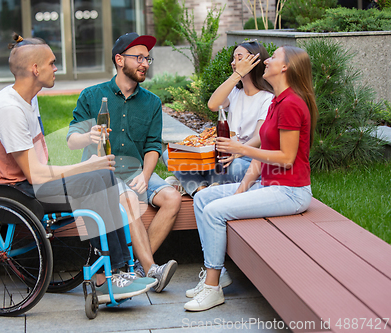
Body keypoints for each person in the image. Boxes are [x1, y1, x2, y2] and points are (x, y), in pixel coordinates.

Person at [0, 33, 155, 303]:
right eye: (52, 63)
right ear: (35, 69)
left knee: (102, 176)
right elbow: (36, 174)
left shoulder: (29, 98)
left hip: (32, 183)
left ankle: (114, 271)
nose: (56, 68)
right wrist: (84, 166)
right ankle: (110, 275)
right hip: (16, 191)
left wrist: (89, 168)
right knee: (95, 178)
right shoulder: (8, 109)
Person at [184, 45, 318, 312]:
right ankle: (218, 272)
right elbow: (262, 156)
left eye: (274, 57)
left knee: (213, 212)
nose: (266, 61)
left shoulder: (291, 104)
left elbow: (287, 157)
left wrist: (240, 149)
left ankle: (212, 288)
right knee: (203, 198)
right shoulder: (277, 100)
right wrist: (241, 190)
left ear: (286, 67)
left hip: (290, 191)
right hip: (268, 185)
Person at [67, 32, 181, 293]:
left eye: (147, 58)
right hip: (102, 174)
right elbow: (72, 139)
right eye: (138, 57)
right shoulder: (92, 96)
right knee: (128, 198)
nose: (145, 63)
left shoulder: (151, 102)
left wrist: (145, 174)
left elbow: (153, 146)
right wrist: (88, 136)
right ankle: (152, 268)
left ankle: (139, 270)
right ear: (120, 60)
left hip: (135, 171)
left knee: (172, 198)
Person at [162, 40, 274, 197]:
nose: (234, 63)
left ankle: (190, 182)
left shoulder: (268, 98)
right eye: (233, 59)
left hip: (245, 159)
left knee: (234, 167)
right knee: (170, 154)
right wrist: (237, 76)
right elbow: (213, 105)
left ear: (254, 61)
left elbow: (259, 137)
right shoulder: (235, 92)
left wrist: (236, 153)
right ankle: (202, 189)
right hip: (222, 156)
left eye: (240, 58)